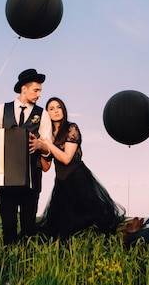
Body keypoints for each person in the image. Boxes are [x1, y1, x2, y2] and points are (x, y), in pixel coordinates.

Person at [29, 97, 126, 238]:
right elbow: (46, 167)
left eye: (58, 107)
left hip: (78, 179)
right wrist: (39, 149)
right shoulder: (47, 134)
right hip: (62, 184)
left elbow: (66, 158)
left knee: (93, 218)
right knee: (60, 228)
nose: (56, 111)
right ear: (47, 113)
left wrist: (48, 144)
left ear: (63, 109)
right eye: (51, 109)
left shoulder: (71, 128)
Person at [0, 68, 53, 245]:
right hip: (6, 177)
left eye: (40, 90)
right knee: (8, 225)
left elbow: (48, 147)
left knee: (28, 227)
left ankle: (28, 265)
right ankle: (9, 263)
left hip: (32, 177)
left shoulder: (43, 115)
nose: (39, 94)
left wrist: (40, 145)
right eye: (36, 90)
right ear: (23, 89)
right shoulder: (1, 109)